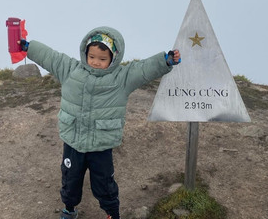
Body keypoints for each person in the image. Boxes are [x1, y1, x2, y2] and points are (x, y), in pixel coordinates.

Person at [20, 26, 181, 219]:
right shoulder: (71, 70)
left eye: (103, 59)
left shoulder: (122, 78)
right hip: (74, 141)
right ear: (85, 53)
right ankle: (69, 209)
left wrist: (165, 60)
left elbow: (144, 69)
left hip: (101, 145)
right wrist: (29, 47)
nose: (96, 62)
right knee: (70, 179)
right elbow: (51, 57)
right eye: (92, 57)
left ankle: (112, 213)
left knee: (104, 183)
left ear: (113, 58)